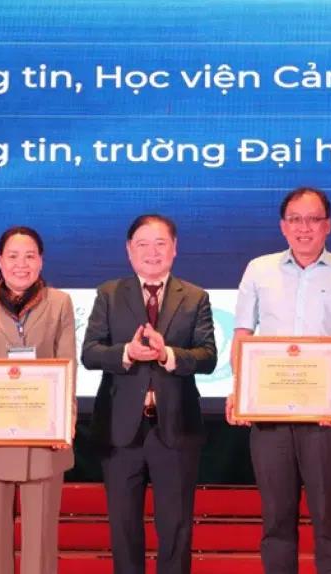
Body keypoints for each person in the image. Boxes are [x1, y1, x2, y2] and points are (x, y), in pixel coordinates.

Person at [227, 188, 331, 574]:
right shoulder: (258, 269)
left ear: (328, 225)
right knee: (275, 517)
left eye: (313, 219)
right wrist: (239, 391)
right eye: (295, 219)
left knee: (328, 515)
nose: (304, 227)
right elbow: (243, 334)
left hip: (324, 416)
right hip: (269, 413)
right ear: (283, 226)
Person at [81, 214, 216, 574]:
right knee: (124, 528)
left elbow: (208, 357)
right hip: (120, 431)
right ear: (129, 250)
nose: (152, 252)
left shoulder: (195, 297)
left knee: (176, 528)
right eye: (142, 244)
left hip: (175, 429)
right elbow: (90, 353)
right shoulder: (109, 294)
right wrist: (127, 352)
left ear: (175, 248)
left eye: (160, 243)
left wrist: (167, 354)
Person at [0, 226, 76, 574]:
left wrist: (66, 422)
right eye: (13, 256)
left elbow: (68, 365)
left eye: (30, 256)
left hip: (43, 439)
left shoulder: (60, 303)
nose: (22, 264)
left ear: (41, 261)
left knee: (41, 547)